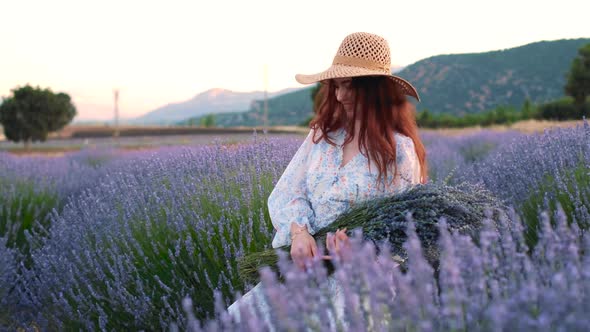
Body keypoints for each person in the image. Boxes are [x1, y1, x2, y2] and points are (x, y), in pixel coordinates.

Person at [227, 31, 427, 328]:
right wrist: (299, 233)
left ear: (373, 90)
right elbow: (288, 192)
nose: (339, 96)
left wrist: (359, 254)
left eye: (349, 86)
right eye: (336, 86)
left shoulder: (400, 151)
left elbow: (403, 229)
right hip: (303, 273)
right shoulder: (322, 139)